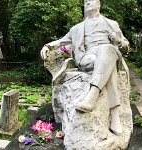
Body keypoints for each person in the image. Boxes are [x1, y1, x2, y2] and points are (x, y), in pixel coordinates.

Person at [41, 0, 129, 135]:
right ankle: (115, 115)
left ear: (99, 4)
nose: (87, 2)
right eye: (85, 1)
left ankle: (91, 97)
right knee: (107, 65)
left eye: (91, 0)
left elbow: (125, 46)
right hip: (88, 59)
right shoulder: (76, 28)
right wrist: (47, 46)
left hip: (109, 53)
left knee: (106, 51)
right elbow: (61, 41)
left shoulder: (112, 24)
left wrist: (118, 42)